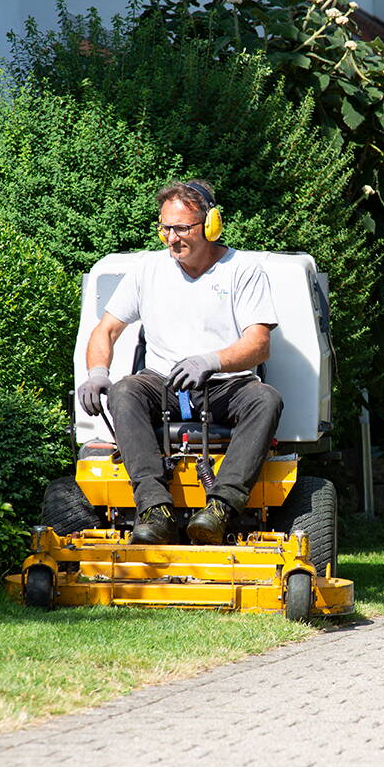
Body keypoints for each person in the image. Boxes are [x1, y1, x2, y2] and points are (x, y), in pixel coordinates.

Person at [75, 180, 282, 544]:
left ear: (211, 225)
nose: (172, 238)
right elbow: (105, 330)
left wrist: (212, 360)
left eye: (182, 228)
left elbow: (259, 344)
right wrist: (96, 373)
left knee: (266, 399)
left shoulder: (244, 271)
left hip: (226, 387)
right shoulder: (145, 271)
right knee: (124, 391)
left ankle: (220, 508)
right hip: (163, 385)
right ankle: (155, 510)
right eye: (165, 228)